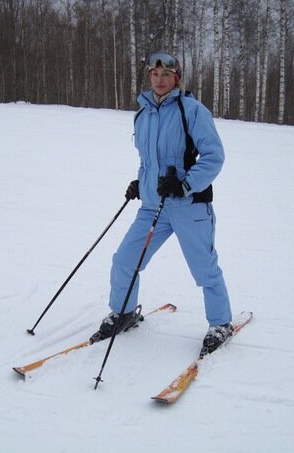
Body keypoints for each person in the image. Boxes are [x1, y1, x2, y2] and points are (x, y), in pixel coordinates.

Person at [92, 51, 233, 355]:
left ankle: (221, 322)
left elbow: (214, 157)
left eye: (165, 75)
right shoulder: (143, 113)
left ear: (176, 78)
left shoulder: (192, 110)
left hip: (189, 206)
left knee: (204, 268)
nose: (159, 80)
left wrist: (184, 184)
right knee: (125, 260)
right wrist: (139, 183)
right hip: (153, 205)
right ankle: (124, 312)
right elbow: (149, 160)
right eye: (154, 75)